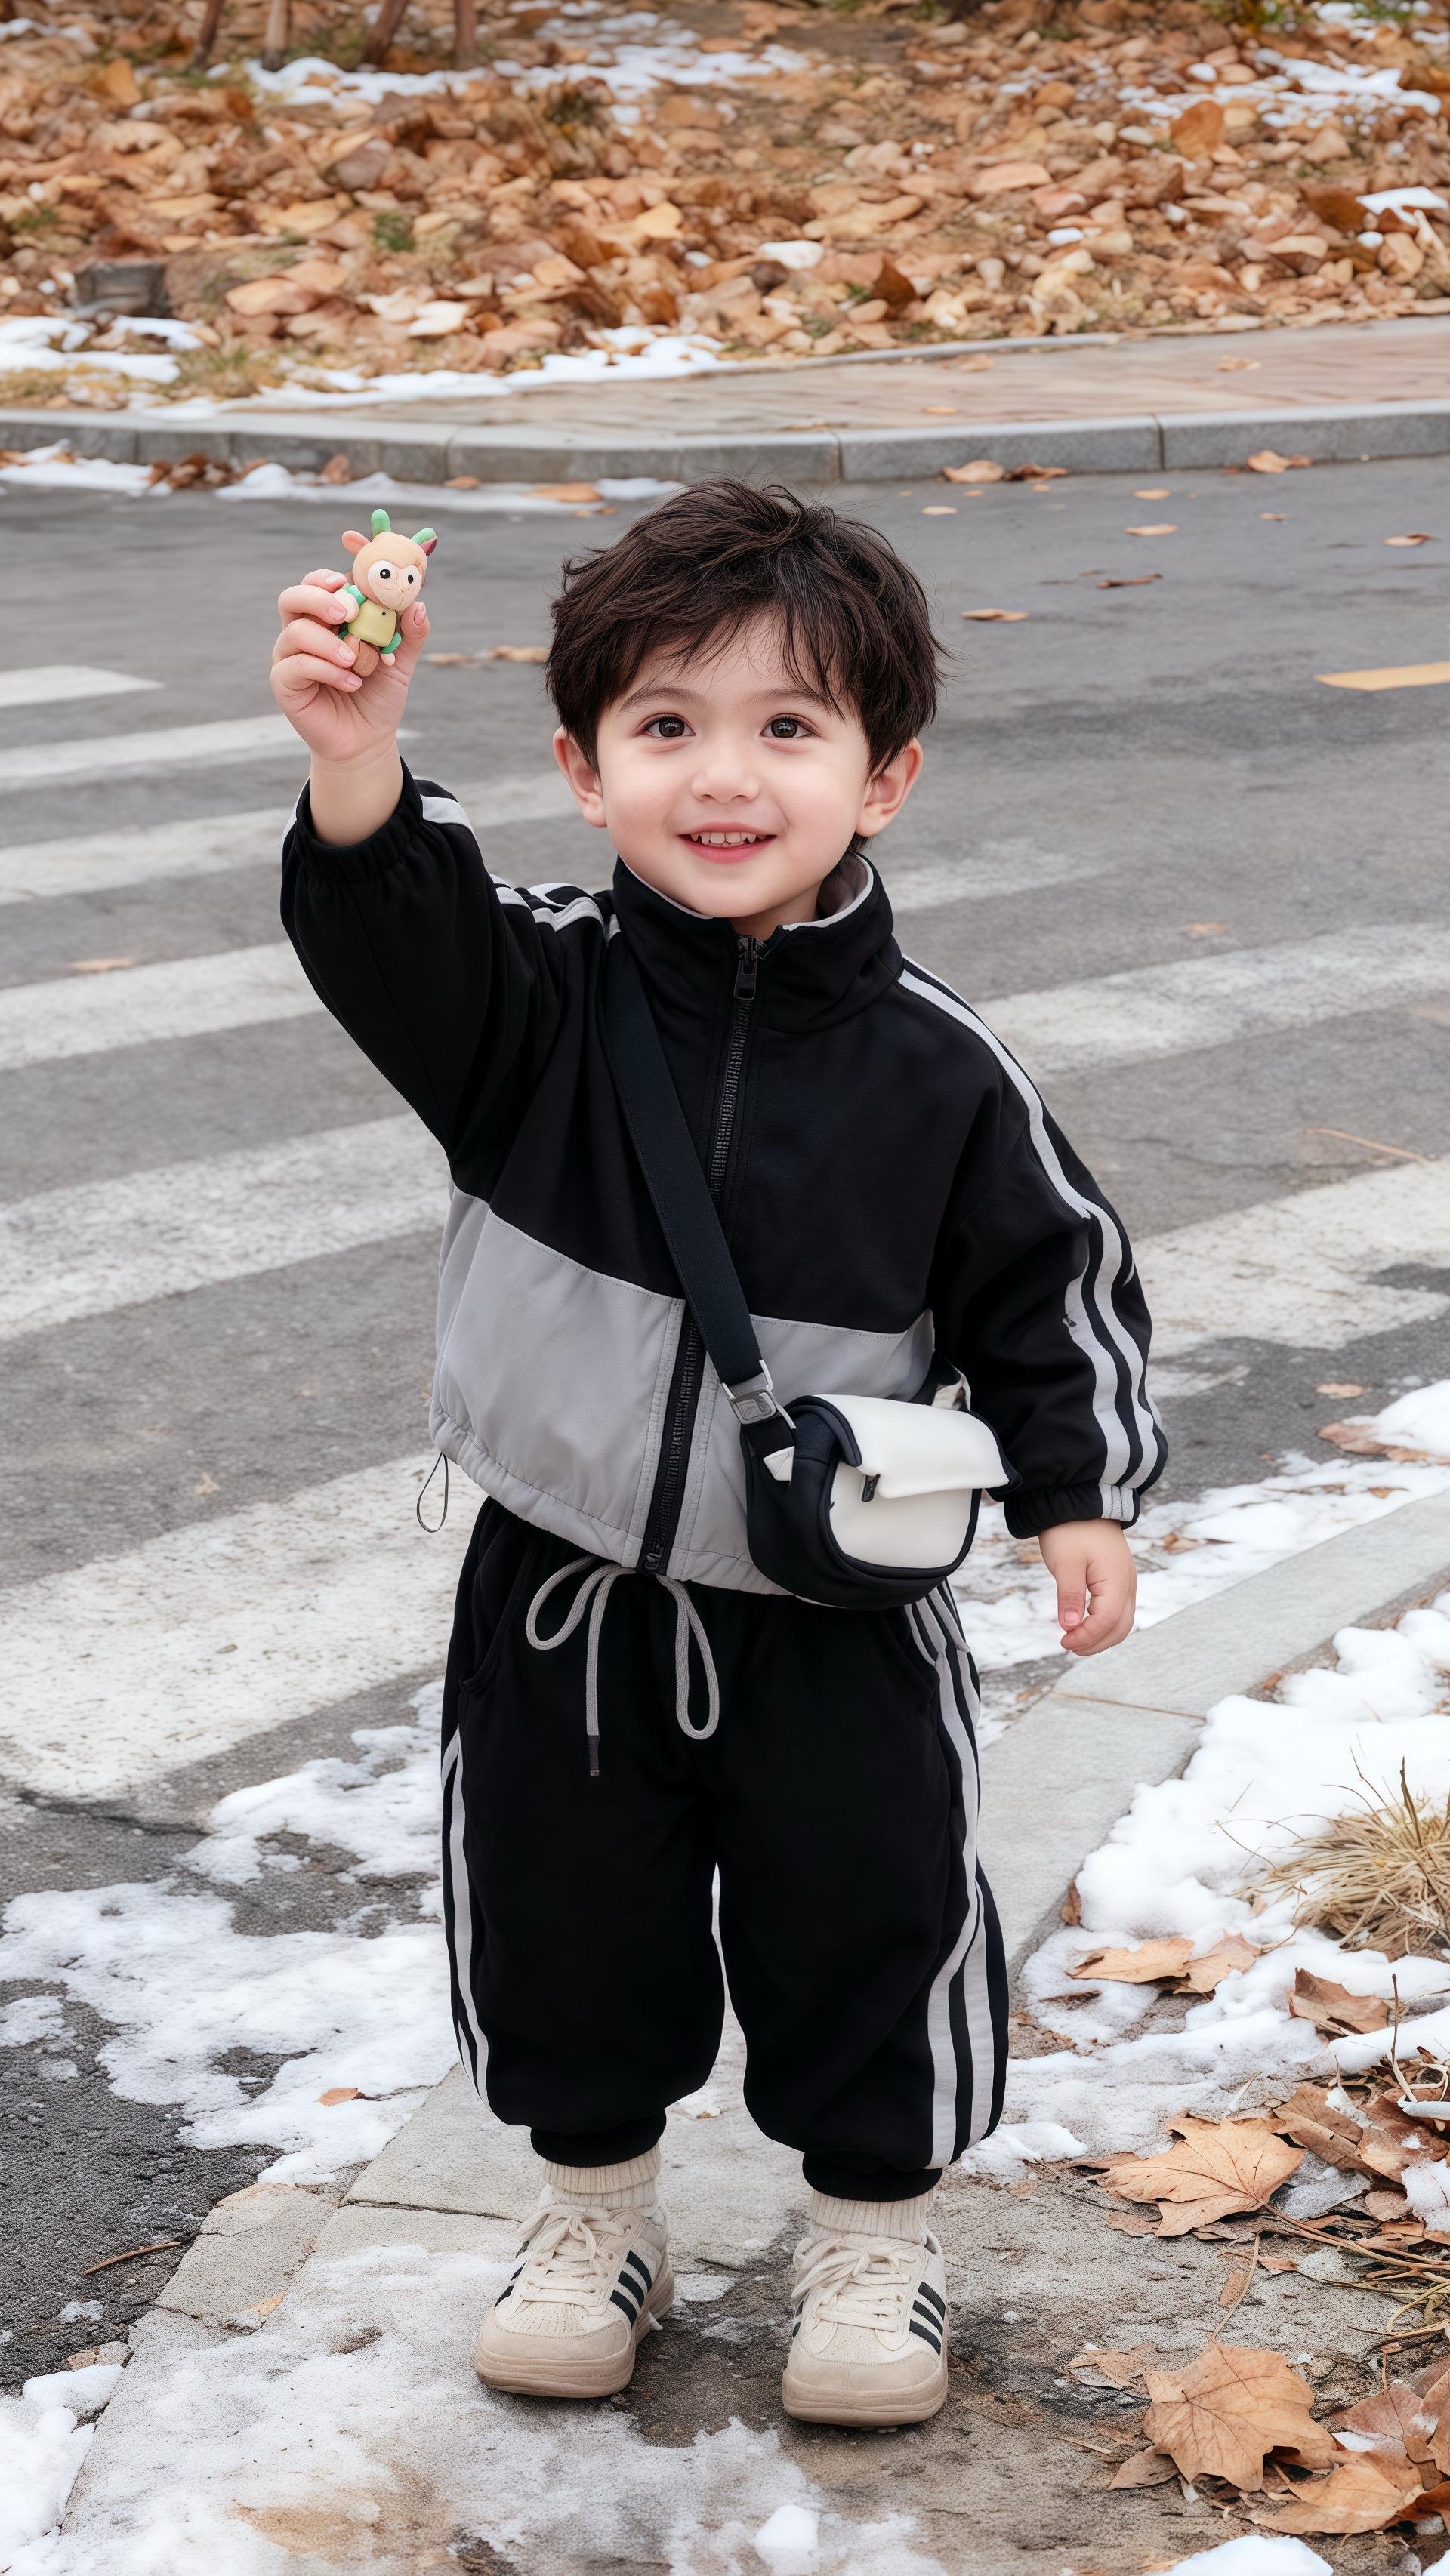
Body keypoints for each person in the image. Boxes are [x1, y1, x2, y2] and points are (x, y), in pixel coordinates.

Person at [271, 480, 1165, 2430]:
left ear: (886, 773)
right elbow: (389, 931)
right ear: (585, 772)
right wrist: (357, 763)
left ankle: (875, 2228)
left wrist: (1078, 1491)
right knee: (560, 1914)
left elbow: (1053, 1287)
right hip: (565, 1590)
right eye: (666, 727)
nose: (724, 776)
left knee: (873, 1908)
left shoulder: (940, 1067)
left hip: (833, 1605)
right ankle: (594, 2208)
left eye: (788, 727)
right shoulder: (534, 1004)